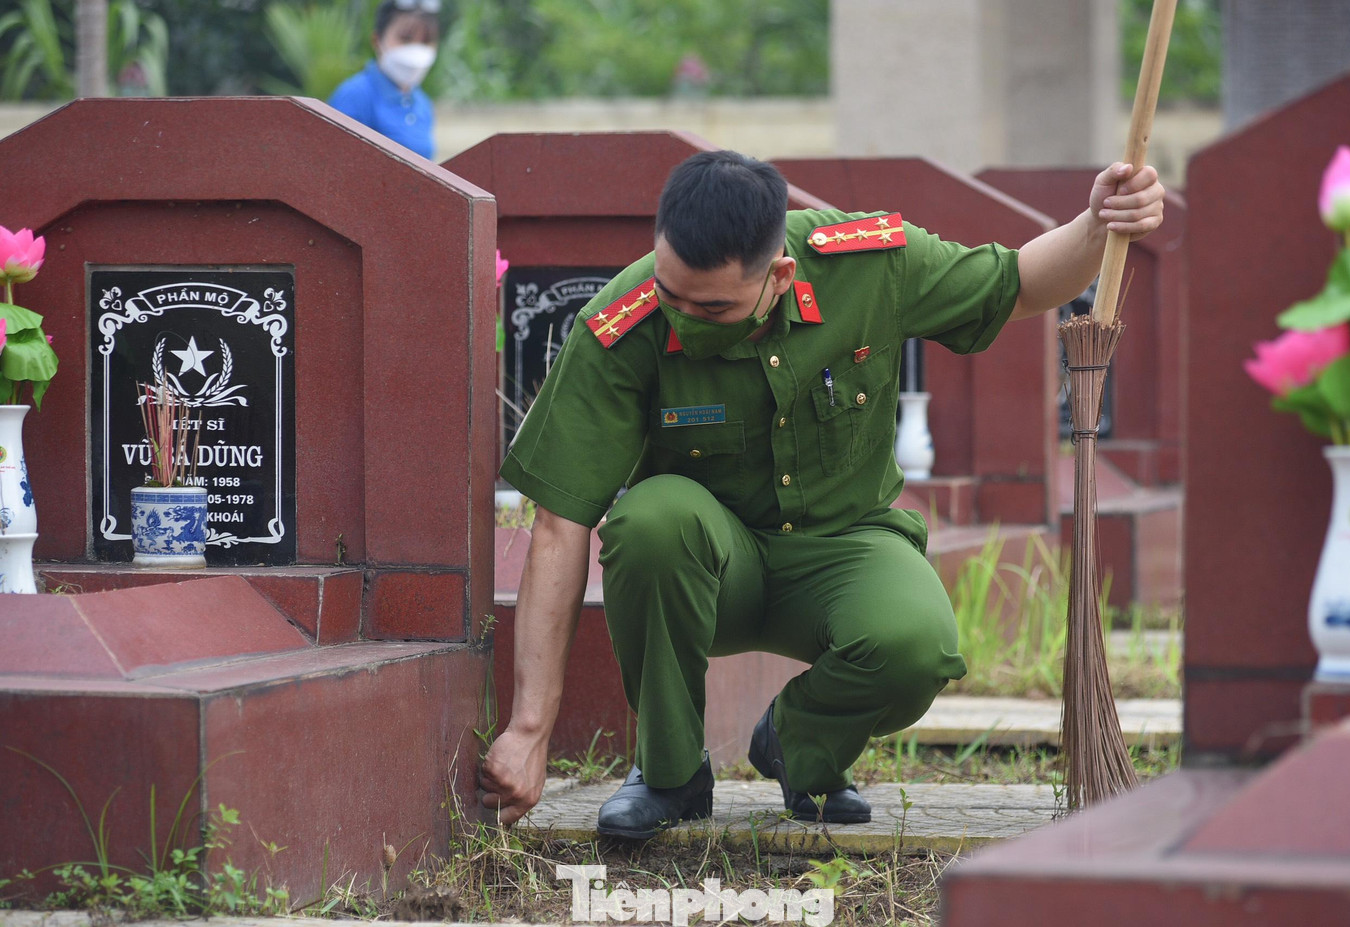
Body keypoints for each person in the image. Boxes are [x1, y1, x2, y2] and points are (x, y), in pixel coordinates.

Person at [480, 150, 1165, 839]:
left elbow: (1016, 283)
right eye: (671, 293)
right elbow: (559, 524)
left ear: (779, 275)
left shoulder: (867, 266)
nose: (683, 317)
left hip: (845, 549)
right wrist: (530, 728)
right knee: (650, 519)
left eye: (712, 306)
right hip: (712, 569)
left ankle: (797, 745)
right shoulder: (623, 323)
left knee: (917, 643)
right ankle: (670, 774)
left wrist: (1098, 221)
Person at [328, 0, 440, 159]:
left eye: (426, 41)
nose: (416, 50)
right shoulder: (355, 96)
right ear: (377, 40)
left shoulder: (422, 103)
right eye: (405, 39)